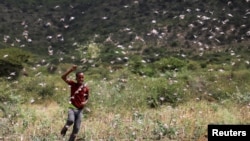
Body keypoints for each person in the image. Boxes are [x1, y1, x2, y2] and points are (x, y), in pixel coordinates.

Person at [60, 65, 89, 141]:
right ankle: (64, 129)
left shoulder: (86, 88)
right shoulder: (73, 84)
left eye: (82, 77)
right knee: (70, 120)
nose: (81, 79)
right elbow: (63, 77)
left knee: (76, 129)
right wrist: (70, 70)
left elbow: (87, 98)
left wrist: (84, 103)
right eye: (79, 77)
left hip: (80, 110)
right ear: (76, 78)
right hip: (72, 108)